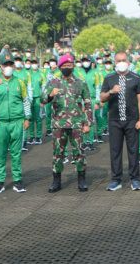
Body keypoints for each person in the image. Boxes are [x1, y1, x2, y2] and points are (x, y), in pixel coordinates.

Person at [43, 54, 94, 193]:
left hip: (77, 123)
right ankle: (56, 180)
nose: (67, 67)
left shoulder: (80, 82)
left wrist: (88, 123)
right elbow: (42, 101)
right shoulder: (53, 82)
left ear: (73, 66)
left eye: (69, 65)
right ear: (60, 67)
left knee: (79, 152)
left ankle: (82, 179)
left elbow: (88, 103)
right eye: (64, 66)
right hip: (59, 124)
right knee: (58, 153)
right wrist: (50, 95)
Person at [0, 58, 31, 194]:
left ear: (13, 66)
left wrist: (27, 117)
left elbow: (25, 100)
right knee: (0, 154)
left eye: (10, 65)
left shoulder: (20, 82)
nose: (8, 67)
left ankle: (18, 181)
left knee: (16, 154)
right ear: (0, 67)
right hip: (0, 123)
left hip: (17, 122)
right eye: (5, 65)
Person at [101, 52, 140, 192]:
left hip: (132, 120)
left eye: (124, 60)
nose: (121, 62)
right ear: (115, 62)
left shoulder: (136, 77)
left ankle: (135, 179)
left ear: (128, 62)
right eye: (118, 60)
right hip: (115, 120)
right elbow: (102, 98)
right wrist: (111, 92)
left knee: (133, 150)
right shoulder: (109, 78)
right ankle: (116, 179)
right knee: (115, 150)